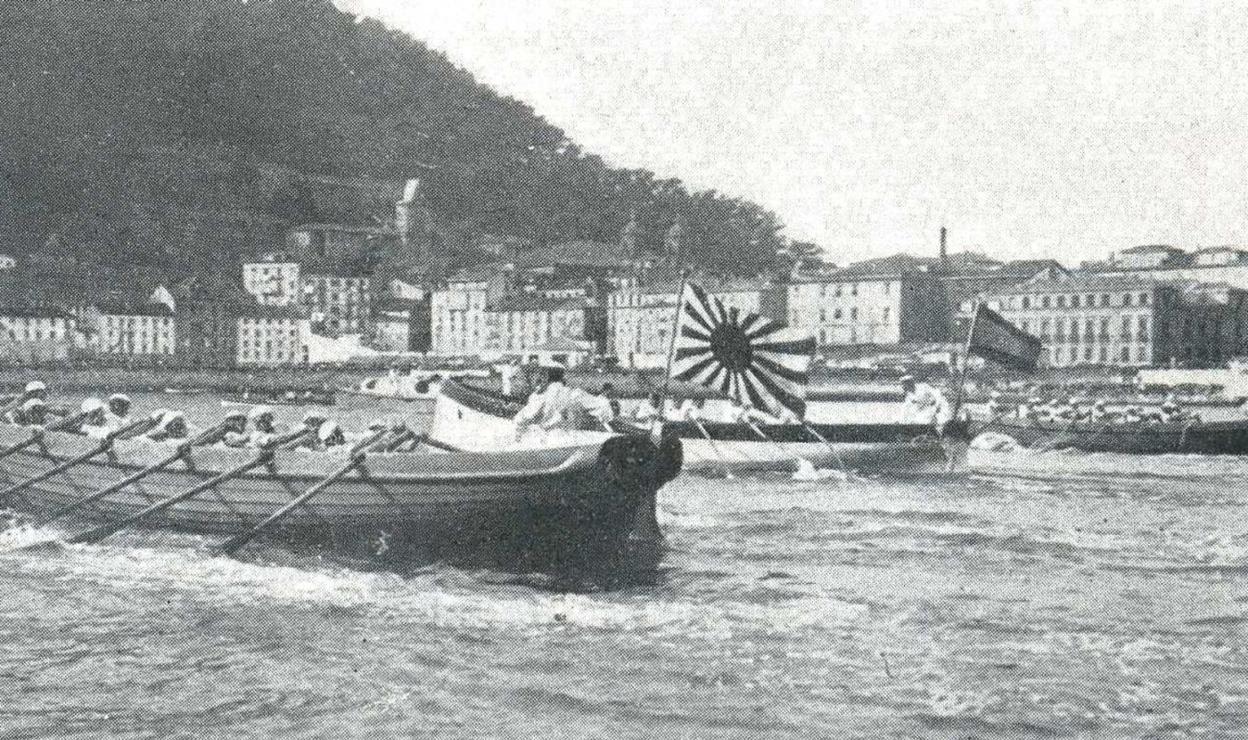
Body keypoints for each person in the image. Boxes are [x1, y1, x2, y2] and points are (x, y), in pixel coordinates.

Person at [513, 363, 614, 439]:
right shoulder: (574, 394)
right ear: (562, 376)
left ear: (545, 376)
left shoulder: (537, 396)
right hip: (568, 439)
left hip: (541, 439)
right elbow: (603, 406)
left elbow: (522, 419)